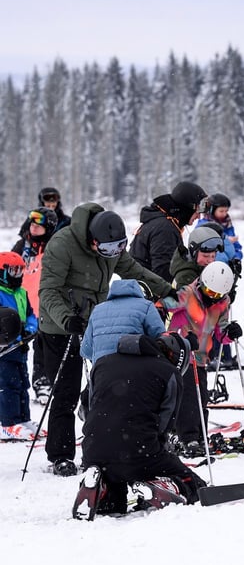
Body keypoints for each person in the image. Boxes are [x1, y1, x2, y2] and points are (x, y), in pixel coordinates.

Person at [38, 204, 174, 476]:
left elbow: (134, 270)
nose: (113, 253)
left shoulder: (112, 248)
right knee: (66, 392)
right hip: (59, 327)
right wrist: (66, 318)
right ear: (92, 240)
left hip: (95, 322)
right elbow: (48, 291)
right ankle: (61, 454)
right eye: (108, 249)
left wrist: (167, 290)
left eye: (118, 247)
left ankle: (105, 447)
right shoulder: (62, 245)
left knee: (104, 388)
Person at [75, 333, 207, 518]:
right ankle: (164, 485)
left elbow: (87, 407)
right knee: (194, 485)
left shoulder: (103, 363)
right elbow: (165, 423)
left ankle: (103, 489)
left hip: (94, 451)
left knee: (114, 495)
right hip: (139, 452)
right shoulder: (169, 373)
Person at [162, 261, 239, 455]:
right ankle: (188, 437)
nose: (212, 297)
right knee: (188, 397)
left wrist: (230, 333)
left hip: (201, 358)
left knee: (201, 398)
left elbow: (221, 333)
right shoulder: (187, 294)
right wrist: (161, 312)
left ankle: (199, 434)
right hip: (179, 354)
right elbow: (163, 305)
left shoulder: (222, 303)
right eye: (209, 292)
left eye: (217, 294)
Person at [13, 207, 58, 404]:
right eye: (31, 223)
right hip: (21, 306)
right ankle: (14, 384)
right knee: (15, 347)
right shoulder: (21, 246)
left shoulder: (55, 248)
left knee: (43, 348)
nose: (33, 227)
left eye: (39, 225)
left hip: (44, 307)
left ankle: (43, 383)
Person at [130, 181, 208, 282]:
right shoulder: (165, 229)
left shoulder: (163, 222)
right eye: (197, 211)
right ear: (187, 207)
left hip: (141, 284)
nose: (199, 216)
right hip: (144, 288)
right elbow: (164, 272)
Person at [0, 253, 40, 441]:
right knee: (8, 385)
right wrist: (11, 334)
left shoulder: (21, 293)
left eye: (20, 270)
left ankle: (24, 419)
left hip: (21, 347)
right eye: (13, 271)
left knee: (23, 384)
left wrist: (30, 329)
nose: (17, 275)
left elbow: (31, 314)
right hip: (5, 349)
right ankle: (8, 423)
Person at [80, 280, 166, 365]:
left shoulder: (97, 310)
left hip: (102, 370)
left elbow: (86, 350)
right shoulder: (146, 306)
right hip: (135, 368)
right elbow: (162, 342)